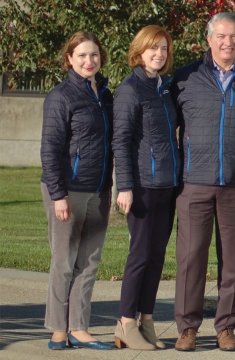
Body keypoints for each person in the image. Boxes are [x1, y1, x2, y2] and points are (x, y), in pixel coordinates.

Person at [170, 12, 235, 352]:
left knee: (232, 258)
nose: (228, 42)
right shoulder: (184, 78)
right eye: (221, 36)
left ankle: (226, 326)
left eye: (234, 37)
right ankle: (187, 327)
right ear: (209, 39)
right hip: (193, 182)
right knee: (191, 257)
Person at [40, 31, 114, 351]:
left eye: (94, 55)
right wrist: (58, 194)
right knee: (64, 261)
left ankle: (79, 328)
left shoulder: (107, 95)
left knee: (89, 262)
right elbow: (51, 149)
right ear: (69, 59)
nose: (88, 61)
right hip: (67, 190)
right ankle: (58, 329)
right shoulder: (61, 96)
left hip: (98, 190)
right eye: (81, 55)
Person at [111, 25, 178, 351]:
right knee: (140, 255)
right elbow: (121, 142)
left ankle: (146, 318)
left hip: (167, 185)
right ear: (139, 51)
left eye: (164, 49)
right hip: (142, 186)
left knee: (156, 256)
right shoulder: (130, 89)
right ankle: (126, 321)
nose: (159, 54)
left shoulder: (163, 88)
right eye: (153, 48)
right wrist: (124, 186)